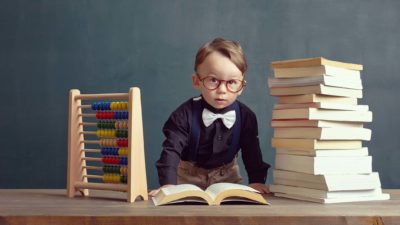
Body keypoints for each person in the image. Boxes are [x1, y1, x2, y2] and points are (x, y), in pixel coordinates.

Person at [149, 37, 270, 196]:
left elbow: (252, 152)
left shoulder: (246, 116)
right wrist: (168, 184)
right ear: (196, 81)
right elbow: (171, 150)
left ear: (241, 86)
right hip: (187, 176)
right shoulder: (183, 114)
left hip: (227, 176)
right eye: (213, 80)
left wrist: (256, 180)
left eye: (232, 82)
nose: (222, 90)